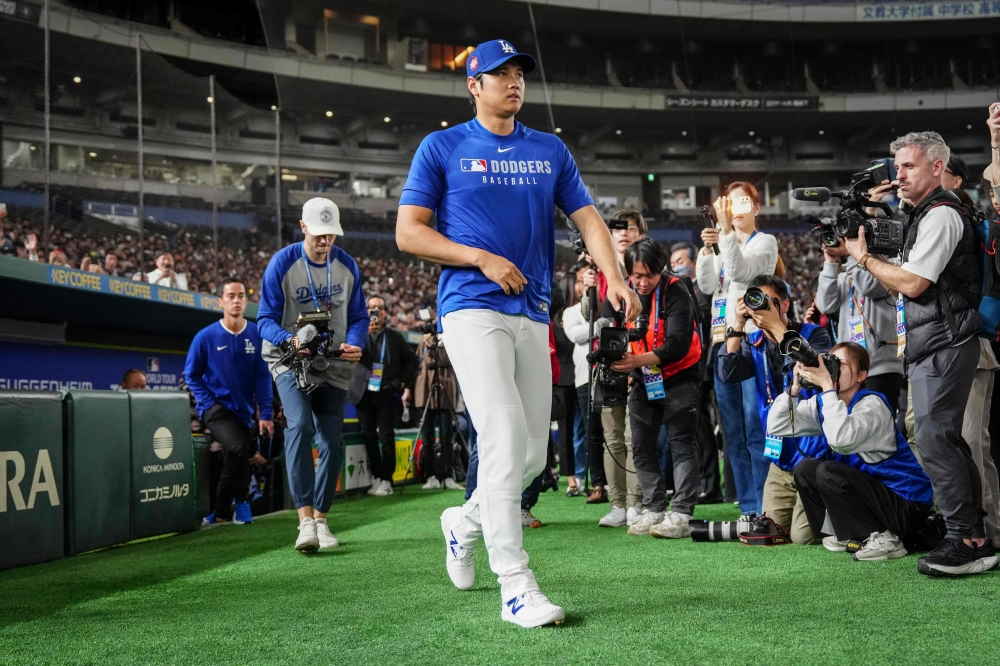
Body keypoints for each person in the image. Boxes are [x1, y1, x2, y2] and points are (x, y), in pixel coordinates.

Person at [396, 38, 640, 628]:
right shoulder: (442, 146)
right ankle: (516, 584)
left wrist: (614, 276)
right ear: (473, 85)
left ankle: (465, 521)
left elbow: (586, 217)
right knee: (504, 437)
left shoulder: (548, 149)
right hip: (470, 307)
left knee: (532, 455)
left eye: (519, 73)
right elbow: (408, 232)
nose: (513, 81)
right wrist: (479, 258)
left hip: (531, 312)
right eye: (499, 73)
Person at [844, 130, 992, 577]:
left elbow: (912, 284)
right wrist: (875, 215)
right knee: (939, 437)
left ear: (936, 167)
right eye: (898, 166)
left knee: (935, 436)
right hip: (934, 340)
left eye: (909, 166)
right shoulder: (924, 212)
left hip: (947, 340)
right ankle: (970, 536)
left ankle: (965, 539)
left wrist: (864, 257)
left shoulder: (943, 214)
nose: (899, 174)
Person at [258, 197, 367, 554]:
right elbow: (263, 320)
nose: (326, 242)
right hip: (289, 360)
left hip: (334, 362)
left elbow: (360, 316)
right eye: (319, 235)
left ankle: (321, 519)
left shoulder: (347, 265)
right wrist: (289, 339)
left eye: (331, 235)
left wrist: (355, 342)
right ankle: (304, 520)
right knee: (300, 425)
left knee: (331, 440)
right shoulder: (282, 263)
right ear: (303, 228)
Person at [766, 342, 937, 560]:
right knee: (806, 469)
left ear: (861, 375)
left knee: (828, 470)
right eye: (831, 362)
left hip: (907, 507)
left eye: (841, 364)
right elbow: (778, 426)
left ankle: (889, 540)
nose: (832, 368)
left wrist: (828, 388)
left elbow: (841, 440)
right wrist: (794, 390)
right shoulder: (825, 403)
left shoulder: (872, 404)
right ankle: (847, 532)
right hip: (878, 501)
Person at [718, 274, 832, 544]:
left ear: (785, 305)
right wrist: (737, 324)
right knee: (770, 532)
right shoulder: (754, 342)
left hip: (814, 454)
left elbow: (817, 370)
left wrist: (776, 327)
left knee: (802, 537)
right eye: (758, 301)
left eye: (771, 301)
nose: (764, 307)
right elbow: (727, 372)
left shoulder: (814, 333)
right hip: (780, 459)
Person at [603, 239, 703, 538]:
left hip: (681, 374)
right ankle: (654, 507)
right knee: (642, 445)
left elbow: (677, 345)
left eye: (650, 276)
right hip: (645, 376)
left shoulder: (676, 290)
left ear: (662, 271)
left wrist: (635, 360)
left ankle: (682, 513)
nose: (643, 283)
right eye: (637, 276)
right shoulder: (622, 291)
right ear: (628, 273)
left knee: (681, 443)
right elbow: (609, 330)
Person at [696, 182, 779, 520]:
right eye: (731, 202)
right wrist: (706, 251)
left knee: (754, 425)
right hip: (722, 340)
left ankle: (765, 505)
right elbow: (706, 286)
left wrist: (726, 233)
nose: (736, 207)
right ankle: (747, 505)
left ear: (757, 207)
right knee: (732, 429)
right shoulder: (722, 242)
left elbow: (741, 272)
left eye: (744, 201)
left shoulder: (766, 243)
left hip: (752, 341)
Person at [184, 279, 274, 526]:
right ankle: (243, 504)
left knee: (232, 460)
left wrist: (265, 413)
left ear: (246, 300)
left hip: (243, 412)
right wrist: (207, 402)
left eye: (241, 296)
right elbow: (191, 374)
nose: (236, 300)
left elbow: (263, 376)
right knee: (236, 450)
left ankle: (220, 513)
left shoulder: (256, 334)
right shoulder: (205, 336)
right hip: (215, 410)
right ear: (220, 301)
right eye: (231, 296)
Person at [583, 210, 647, 521]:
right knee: (612, 438)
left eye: (630, 228)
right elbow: (589, 317)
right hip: (606, 363)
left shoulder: (644, 271)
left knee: (633, 437)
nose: (622, 234)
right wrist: (587, 289)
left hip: (637, 361)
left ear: (640, 234)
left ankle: (635, 502)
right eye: (616, 229)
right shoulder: (599, 270)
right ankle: (617, 504)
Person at [816, 238, 903, 410]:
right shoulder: (845, 276)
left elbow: (867, 286)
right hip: (848, 370)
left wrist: (851, 254)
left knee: (879, 429)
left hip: (880, 368)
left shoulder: (890, 268)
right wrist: (830, 263)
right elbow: (826, 305)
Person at [672, 240, 724, 504]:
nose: (676, 267)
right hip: (692, 369)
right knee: (699, 430)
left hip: (705, 367)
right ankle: (709, 484)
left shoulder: (703, 290)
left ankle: (711, 485)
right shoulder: (679, 291)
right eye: (672, 264)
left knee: (707, 429)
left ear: (694, 263)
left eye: (680, 261)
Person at [356, 294, 418, 497]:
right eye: (371, 307)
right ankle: (377, 477)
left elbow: (412, 361)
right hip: (363, 394)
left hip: (386, 394)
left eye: (379, 308)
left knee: (386, 436)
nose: (375, 312)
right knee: (368, 435)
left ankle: (387, 479)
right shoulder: (358, 335)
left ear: (385, 312)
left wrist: (401, 383)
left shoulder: (394, 337)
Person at [413, 331, 461, 490]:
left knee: (447, 436)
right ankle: (431, 475)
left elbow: (451, 361)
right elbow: (419, 363)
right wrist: (427, 344)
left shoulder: (451, 340)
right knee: (427, 437)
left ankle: (448, 475)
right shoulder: (423, 342)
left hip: (445, 391)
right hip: (426, 391)